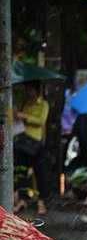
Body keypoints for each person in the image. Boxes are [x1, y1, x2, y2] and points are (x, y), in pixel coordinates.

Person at [12, 82, 50, 215]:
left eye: (31, 89)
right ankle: (22, 200)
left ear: (37, 90)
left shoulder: (43, 104)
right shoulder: (25, 103)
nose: (28, 92)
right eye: (27, 90)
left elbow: (40, 121)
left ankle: (41, 203)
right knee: (21, 173)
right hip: (23, 142)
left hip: (36, 143)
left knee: (40, 174)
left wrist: (23, 116)